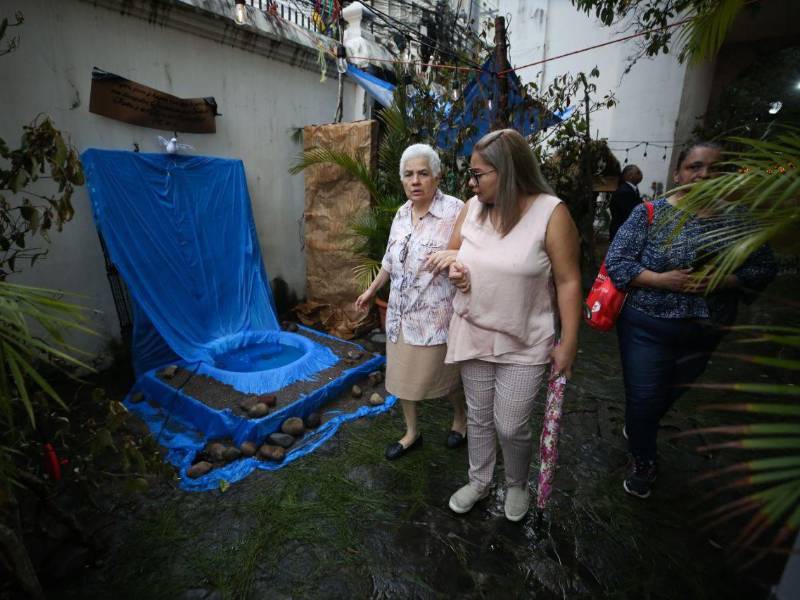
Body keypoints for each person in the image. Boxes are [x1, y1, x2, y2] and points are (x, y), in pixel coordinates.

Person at [605, 141, 777, 499]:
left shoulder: (740, 221)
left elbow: (763, 268)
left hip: (705, 330)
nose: (705, 175)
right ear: (679, 173)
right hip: (646, 325)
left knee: (666, 396)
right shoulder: (649, 213)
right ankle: (643, 459)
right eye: (695, 167)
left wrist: (724, 280)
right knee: (644, 397)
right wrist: (659, 279)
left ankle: (639, 427)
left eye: (714, 168)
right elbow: (617, 262)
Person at [427, 129, 581, 522]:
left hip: (525, 337)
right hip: (474, 328)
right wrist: (456, 268)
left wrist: (569, 342)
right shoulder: (473, 208)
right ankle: (479, 481)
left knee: (510, 425)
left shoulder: (552, 213)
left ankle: (515, 483)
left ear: (507, 171)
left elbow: (568, 281)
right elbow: (457, 256)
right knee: (478, 417)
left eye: (478, 174)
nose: (471, 183)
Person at [355, 143, 466, 460]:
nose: (415, 181)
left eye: (422, 173)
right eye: (408, 175)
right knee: (402, 378)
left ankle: (461, 418)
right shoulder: (402, 214)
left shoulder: (455, 212)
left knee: (445, 379)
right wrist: (372, 290)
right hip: (400, 314)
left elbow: (476, 252)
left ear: (437, 176)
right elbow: (390, 259)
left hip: (436, 318)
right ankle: (412, 432)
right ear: (402, 180)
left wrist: (456, 258)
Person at [608, 164, 643, 242]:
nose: (641, 174)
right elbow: (631, 212)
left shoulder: (631, 189)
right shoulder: (624, 191)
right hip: (621, 233)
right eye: (638, 172)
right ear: (630, 176)